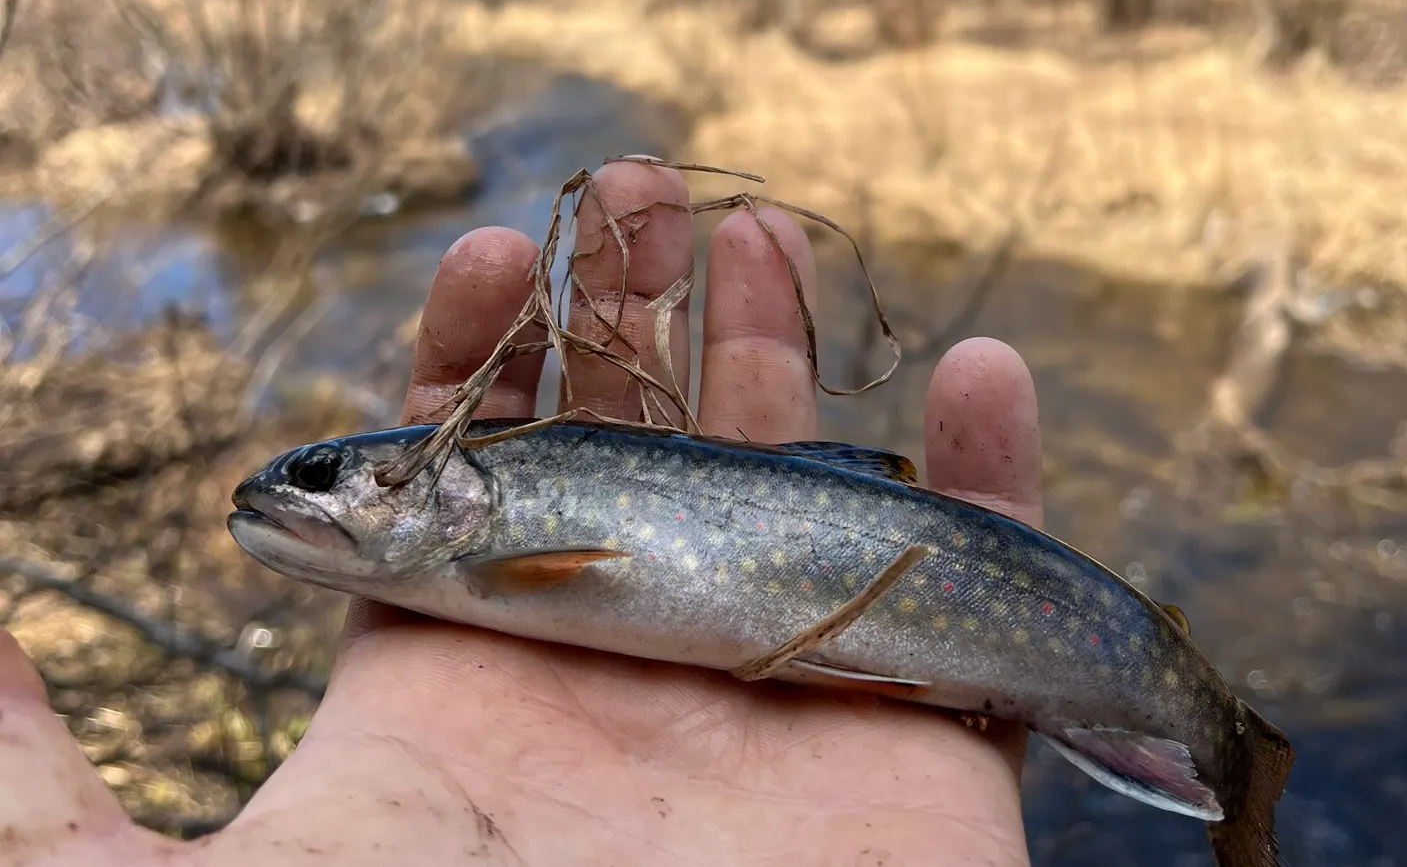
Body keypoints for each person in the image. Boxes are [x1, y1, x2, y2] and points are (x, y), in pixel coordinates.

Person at [0, 160, 1041, 865]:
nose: (291, 495)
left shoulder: (491, 551)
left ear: (456, 489)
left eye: (323, 475)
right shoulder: (460, 565)